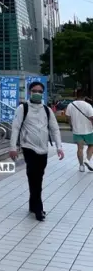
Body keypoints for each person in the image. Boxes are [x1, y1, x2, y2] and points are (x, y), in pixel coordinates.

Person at [10, 80, 64, 221]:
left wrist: (59, 147)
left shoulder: (46, 110)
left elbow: (55, 129)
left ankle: (32, 205)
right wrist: (13, 147)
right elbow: (15, 128)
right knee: (34, 177)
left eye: (40, 91)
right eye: (34, 91)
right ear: (30, 92)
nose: (37, 93)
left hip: (43, 149)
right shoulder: (23, 108)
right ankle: (39, 209)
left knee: (37, 177)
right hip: (29, 147)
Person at [65, 90, 93, 172]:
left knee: (80, 148)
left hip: (77, 131)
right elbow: (92, 117)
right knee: (91, 145)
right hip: (88, 130)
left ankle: (81, 166)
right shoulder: (88, 105)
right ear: (85, 97)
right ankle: (87, 160)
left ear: (76, 95)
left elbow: (68, 117)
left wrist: (71, 126)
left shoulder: (71, 105)